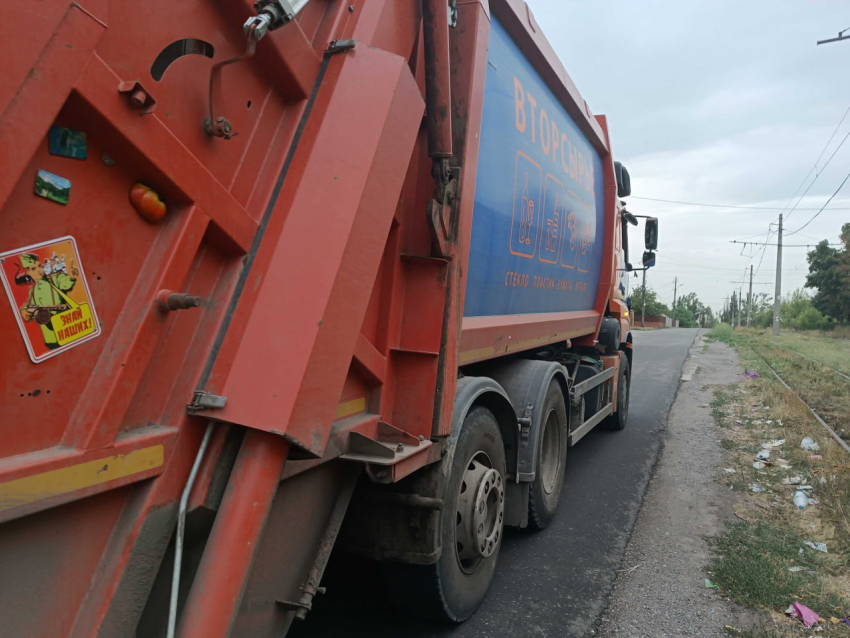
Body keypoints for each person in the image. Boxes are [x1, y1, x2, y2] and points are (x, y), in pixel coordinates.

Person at [18, 252, 78, 349]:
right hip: (50, 338)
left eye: (39, 266)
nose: (38, 271)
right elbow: (29, 307)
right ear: (28, 273)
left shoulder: (53, 279)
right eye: (33, 269)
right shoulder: (33, 291)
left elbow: (64, 282)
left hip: (66, 331)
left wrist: (71, 278)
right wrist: (26, 313)